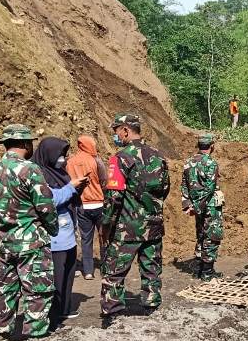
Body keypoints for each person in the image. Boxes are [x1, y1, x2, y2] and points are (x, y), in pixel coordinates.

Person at [0, 124, 59, 341]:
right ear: (26, 144)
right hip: (31, 240)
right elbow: (45, 206)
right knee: (37, 288)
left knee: (6, 287)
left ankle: (2, 331)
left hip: (6, 241)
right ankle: (34, 334)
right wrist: (52, 229)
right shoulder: (30, 170)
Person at [100, 113, 170, 327]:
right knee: (151, 268)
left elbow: (114, 197)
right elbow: (165, 189)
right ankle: (151, 308)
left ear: (126, 131)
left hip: (127, 228)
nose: (116, 136)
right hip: (154, 226)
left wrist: (106, 224)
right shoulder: (158, 156)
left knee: (114, 272)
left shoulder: (120, 158)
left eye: (116, 131)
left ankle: (113, 317)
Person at [33, 137, 88, 330]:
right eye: (59, 155)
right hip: (53, 238)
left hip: (67, 236)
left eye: (64, 155)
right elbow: (50, 200)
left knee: (68, 274)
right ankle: (53, 315)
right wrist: (71, 187)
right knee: (55, 277)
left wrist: (76, 188)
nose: (63, 159)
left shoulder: (58, 173)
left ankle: (65, 308)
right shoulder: (38, 175)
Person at [181, 134, 224, 280]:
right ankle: (207, 272)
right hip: (209, 206)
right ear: (211, 146)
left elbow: (184, 186)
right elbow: (209, 188)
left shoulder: (188, 162)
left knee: (200, 234)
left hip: (195, 205)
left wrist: (188, 205)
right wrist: (199, 206)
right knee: (212, 236)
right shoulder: (211, 163)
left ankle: (198, 269)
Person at [67, 135, 108, 280]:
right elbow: (104, 181)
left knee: (86, 239)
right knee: (104, 237)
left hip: (82, 206)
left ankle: (88, 271)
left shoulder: (70, 162)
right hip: (99, 204)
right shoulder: (96, 160)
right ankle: (106, 269)